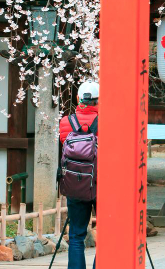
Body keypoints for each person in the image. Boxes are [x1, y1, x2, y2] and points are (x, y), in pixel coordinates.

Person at [59, 81, 99, 269]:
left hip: (75, 184)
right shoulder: (106, 120)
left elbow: (63, 142)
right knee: (106, 235)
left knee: (76, 235)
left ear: (78, 99)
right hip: (100, 184)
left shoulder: (66, 122)